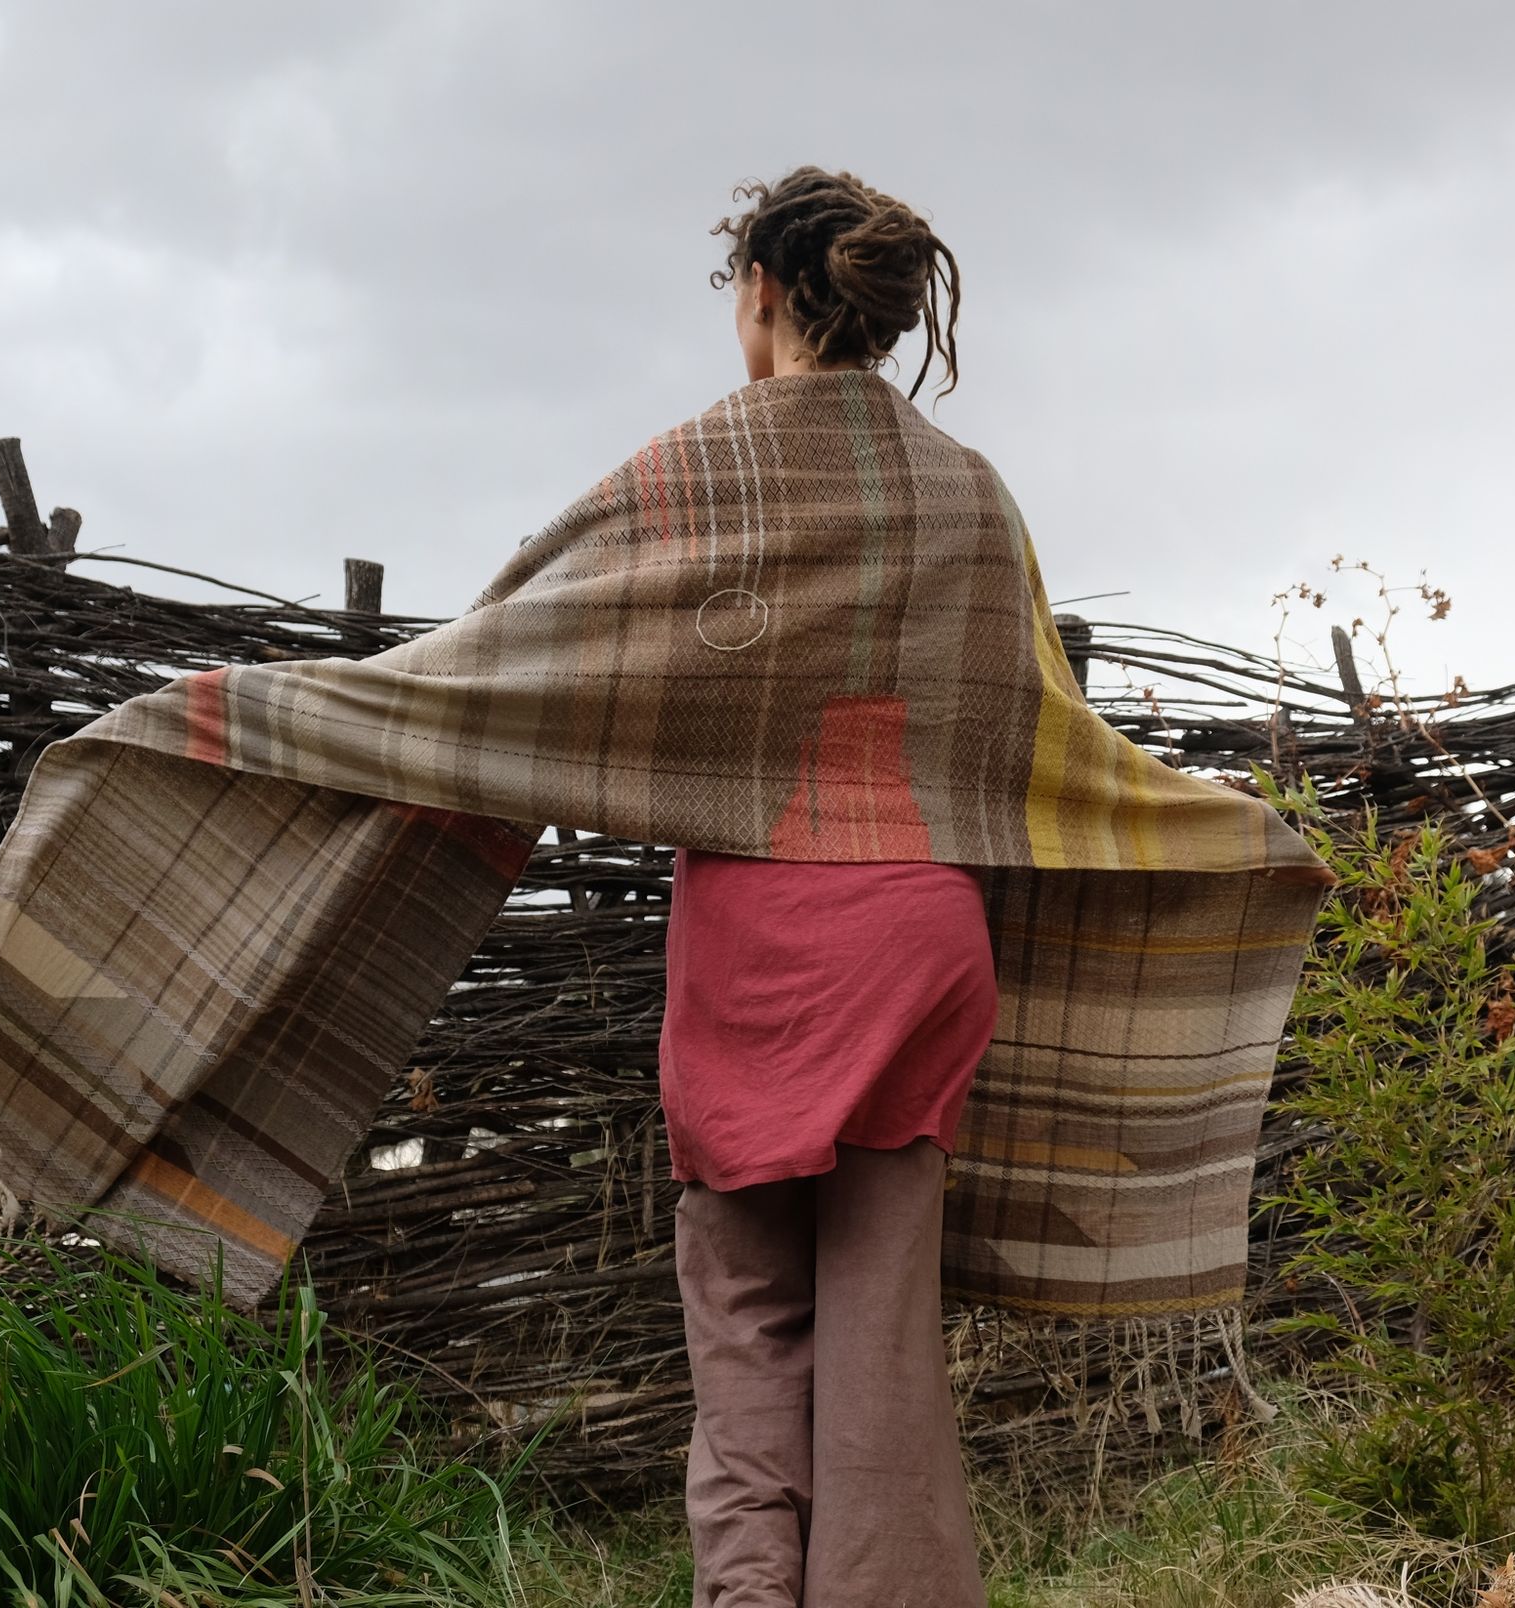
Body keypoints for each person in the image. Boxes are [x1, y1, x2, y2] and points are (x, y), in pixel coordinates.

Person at [659, 166, 992, 1608]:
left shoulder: (696, 477)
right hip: (922, 942)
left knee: (747, 1326)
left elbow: (546, 680)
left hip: (759, 955)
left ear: (762, 294)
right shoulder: (971, 496)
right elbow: (1010, 732)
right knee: (883, 1351)